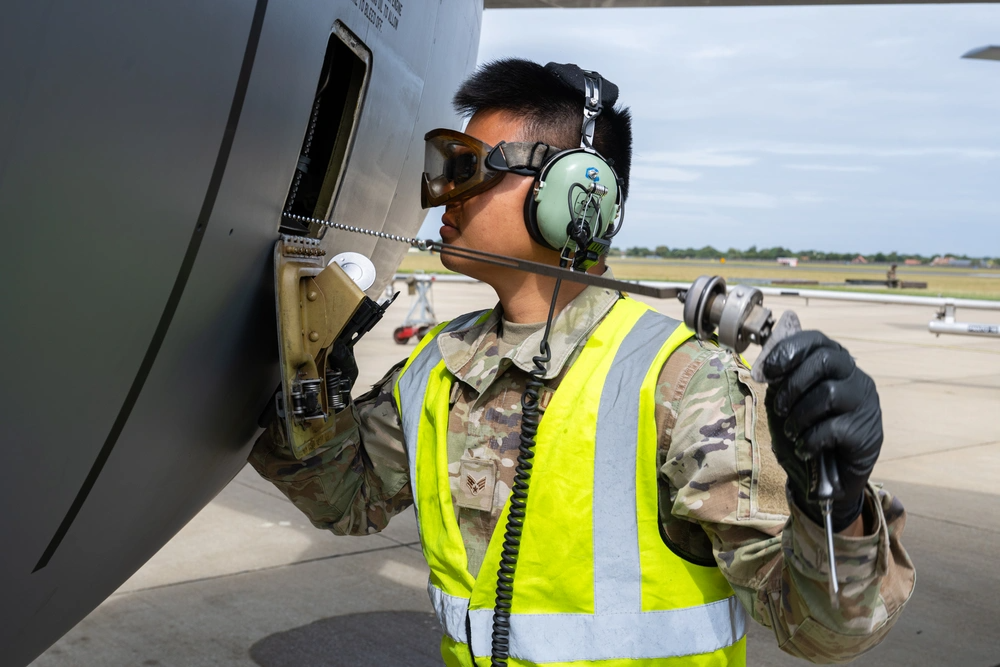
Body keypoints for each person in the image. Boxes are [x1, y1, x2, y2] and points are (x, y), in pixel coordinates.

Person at [250, 59, 914, 666]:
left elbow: (826, 627)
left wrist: (837, 506)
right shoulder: (437, 365)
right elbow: (343, 500)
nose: (441, 193)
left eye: (469, 167)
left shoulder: (681, 380)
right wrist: (305, 383)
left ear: (572, 193)